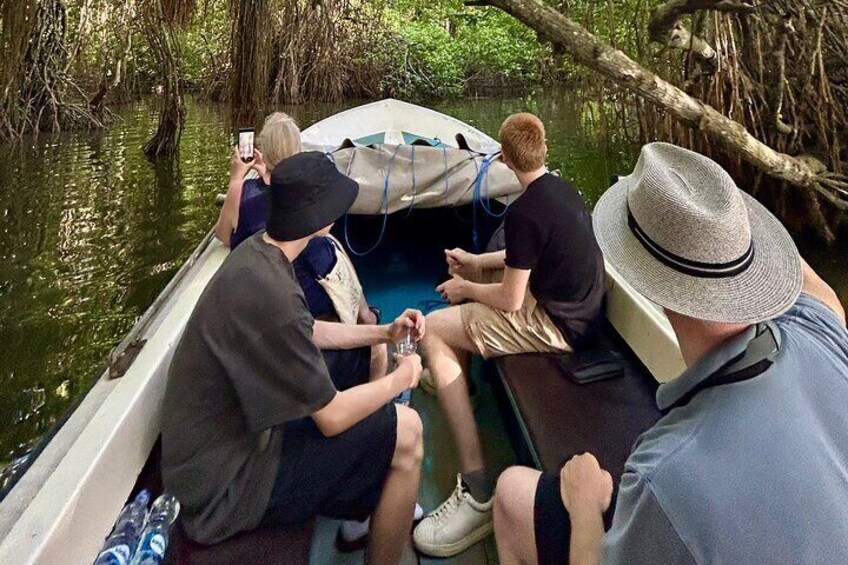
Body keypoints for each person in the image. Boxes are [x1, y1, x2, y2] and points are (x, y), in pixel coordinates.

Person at [492, 142, 848, 565]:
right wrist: (721, 223)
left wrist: (585, 504)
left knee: (511, 492)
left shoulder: (665, 472)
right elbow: (815, 289)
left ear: (649, 284)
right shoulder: (821, 331)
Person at [161, 152, 427, 565]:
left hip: (229, 451)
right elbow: (332, 417)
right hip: (226, 491)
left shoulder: (259, 253)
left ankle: (362, 496)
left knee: (360, 376)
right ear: (314, 215)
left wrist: (383, 332)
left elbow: (310, 331)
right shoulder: (273, 291)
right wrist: (402, 377)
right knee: (407, 430)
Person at [412, 113, 606, 557]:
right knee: (467, 297)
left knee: (434, 332)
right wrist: (478, 263)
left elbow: (511, 300)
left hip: (556, 326)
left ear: (502, 158)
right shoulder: (560, 189)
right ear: (543, 150)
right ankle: (456, 385)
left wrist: (465, 287)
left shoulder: (523, 212)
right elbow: (524, 253)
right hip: (580, 311)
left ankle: (477, 490)